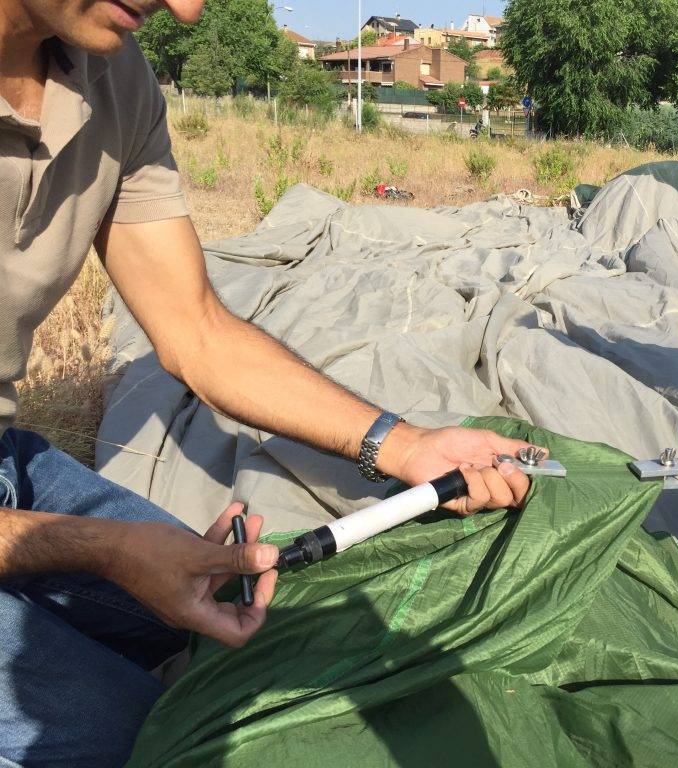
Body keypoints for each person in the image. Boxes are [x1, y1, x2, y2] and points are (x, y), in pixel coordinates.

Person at [0, 1, 534, 764]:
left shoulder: (112, 74)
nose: (184, 9)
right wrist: (105, 547)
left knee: (204, 609)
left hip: (6, 464)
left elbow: (197, 329)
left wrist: (405, 445)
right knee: (145, 741)